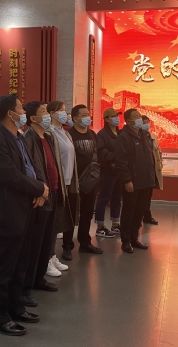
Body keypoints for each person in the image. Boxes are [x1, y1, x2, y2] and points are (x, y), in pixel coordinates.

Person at [0, 94, 49, 336]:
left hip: (24, 209)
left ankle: (15, 307)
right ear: (10, 114)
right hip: (5, 212)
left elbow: (31, 168)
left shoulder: (18, 137)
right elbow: (10, 175)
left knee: (19, 264)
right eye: (20, 108)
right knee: (2, 269)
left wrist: (41, 188)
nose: (23, 112)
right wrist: (39, 188)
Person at [22, 101, 60, 305]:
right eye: (44, 112)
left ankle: (39, 277)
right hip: (40, 195)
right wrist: (38, 190)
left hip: (52, 191)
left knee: (46, 240)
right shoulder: (28, 139)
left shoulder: (48, 136)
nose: (48, 116)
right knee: (34, 243)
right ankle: (26, 286)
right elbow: (29, 169)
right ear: (33, 118)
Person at [115, 109, 156, 254]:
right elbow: (121, 161)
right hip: (132, 182)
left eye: (139, 116)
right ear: (128, 121)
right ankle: (126, 241)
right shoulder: (124, 137)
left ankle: (134, 238)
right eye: (136, 117)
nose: (139, 119)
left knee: (139, 211)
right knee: (129, 211)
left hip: (146, 181)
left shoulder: (144, 134)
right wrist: (127, 180)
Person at [46, 101, 79, 264]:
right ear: (52, 114)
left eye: (65, 111)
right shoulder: (49, 133)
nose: (65, 114)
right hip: (57, 182)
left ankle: (65, 247)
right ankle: (49, 255)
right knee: (55, 219)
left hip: (69, 181)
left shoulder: (66, 133)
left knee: (67, 217)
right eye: (61, 111)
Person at [67, 104, 102, 254]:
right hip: (74, 181)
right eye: (83, 115)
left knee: (87, 214)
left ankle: (85, 242)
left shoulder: (92, 134)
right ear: (75, 118)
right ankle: (67, 246)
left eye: (88, 114)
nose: (87, 117)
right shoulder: (69, 135)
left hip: (91, 182)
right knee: (71, 215)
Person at [95, 108, 123, 238]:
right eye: (113, 116)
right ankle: (100, 226)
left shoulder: (120, 133)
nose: (117, 118)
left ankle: (115, 224)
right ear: (106, 119)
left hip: (119, 171)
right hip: (107, 171)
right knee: (104, 198)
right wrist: (117, 156)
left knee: (117, 198)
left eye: (117, 116)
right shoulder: (102, 135)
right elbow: (101, 153)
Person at [141, 115, 162, 225]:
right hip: (142, 172)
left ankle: (147, 216)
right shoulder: (138, 137)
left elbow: (158, 151)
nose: (146, 124)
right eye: (144, 122)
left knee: (148, 195)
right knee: (141, 196)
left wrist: (160, 163)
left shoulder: (152, 137)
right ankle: (138, 217)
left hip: (152, 171)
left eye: (147, 122)